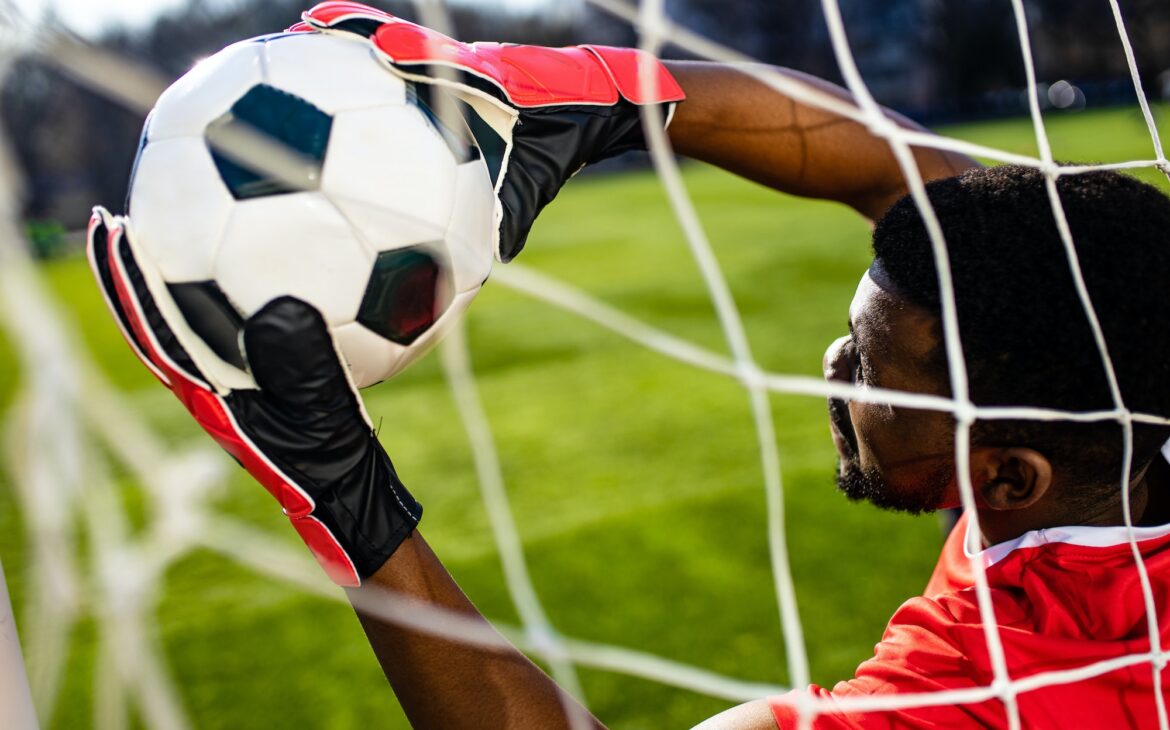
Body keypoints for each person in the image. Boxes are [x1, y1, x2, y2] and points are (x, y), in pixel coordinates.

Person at [86, 2, 1170, 727]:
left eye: (871, 374)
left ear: (1009, 478)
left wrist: (337, 489)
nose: (832, 367)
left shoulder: (998, 692)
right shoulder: (1110, 419)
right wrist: (594, 94)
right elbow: (912, 178)